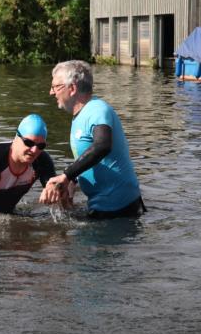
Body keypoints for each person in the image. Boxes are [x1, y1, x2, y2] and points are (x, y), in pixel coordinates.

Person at [39, 60, 146, 219]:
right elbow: (88, 156)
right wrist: (72, 181)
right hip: (103, 204)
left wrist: (66, 176)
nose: (51, 92)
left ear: (72, 88)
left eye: (55, 87)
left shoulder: (97, 109)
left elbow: (102, 146)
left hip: (119, 207)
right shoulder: (81, 115)